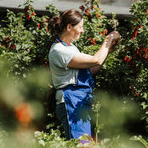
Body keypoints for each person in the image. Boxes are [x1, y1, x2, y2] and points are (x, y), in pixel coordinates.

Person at [47, 9, 120, 140]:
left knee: (86, 144)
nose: (82, 31)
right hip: (71, 100)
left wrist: (107, 51)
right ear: (69, 27)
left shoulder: (71, 48)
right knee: (81, 146)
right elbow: (96, 59)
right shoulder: (59, 50)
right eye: (80, 27)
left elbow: (89, 70)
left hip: (80, 99)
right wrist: (108, 40)